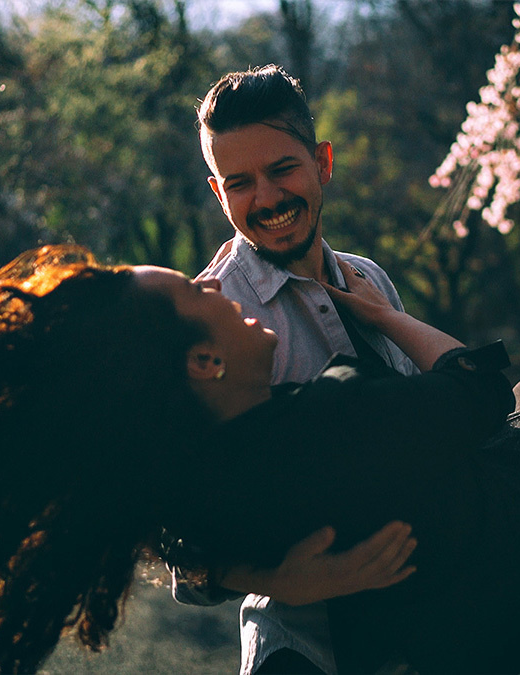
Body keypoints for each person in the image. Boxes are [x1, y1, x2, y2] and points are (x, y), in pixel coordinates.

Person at [0, 245, 520, 674]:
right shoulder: (329, 425)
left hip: (474, 626)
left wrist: (269, 571)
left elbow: (160, 535)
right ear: (204, 363)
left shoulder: (185, 483)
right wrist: (381, 315)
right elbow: (479, 382)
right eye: (195, 294)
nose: (215, 285)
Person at [183, 63, 419, 674]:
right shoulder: (211, 319)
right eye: (238, 182)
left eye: (282, 169)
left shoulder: (372, 281)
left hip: (426, 628)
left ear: (323, 163)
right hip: (302, 651)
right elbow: (179, 540)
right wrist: (282, 578)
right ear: (218, 192)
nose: (265, 199)